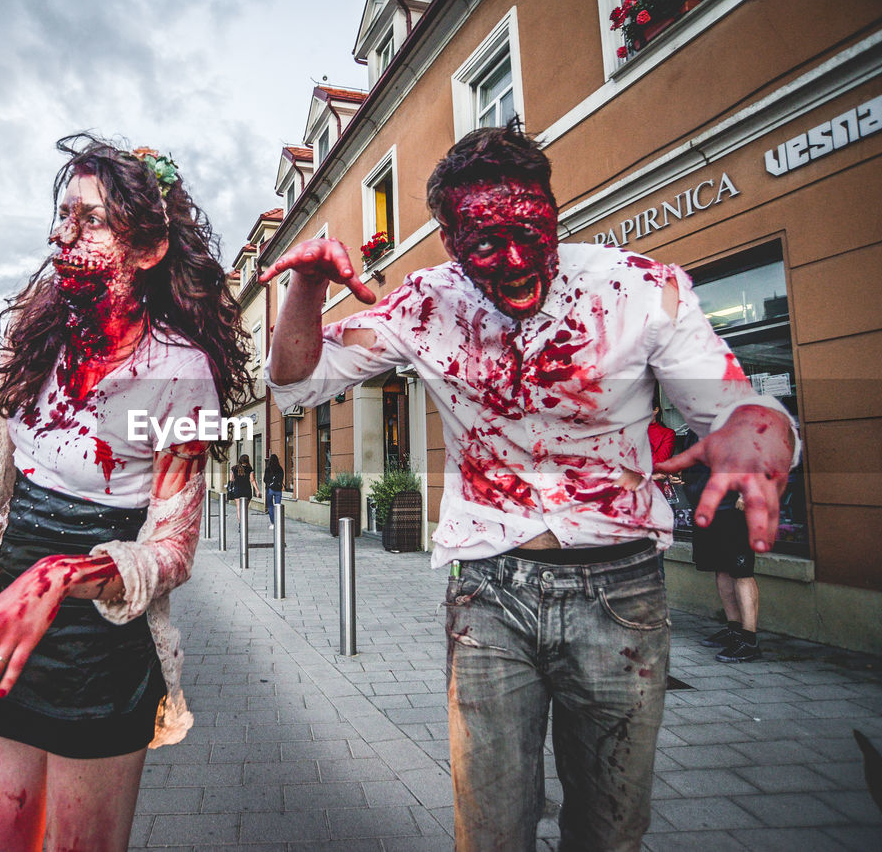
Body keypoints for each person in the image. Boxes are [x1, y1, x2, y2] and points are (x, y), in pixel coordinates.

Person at [262, 124, 798, 850]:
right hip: (490, 594)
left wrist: (761, 426)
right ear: (450, 241)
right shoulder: (429, 303)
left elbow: (735, 407)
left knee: (610, 831)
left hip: (622, 595)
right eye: (485, 243)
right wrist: (310, 284)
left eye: (530, 230)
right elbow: (296, 381)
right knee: (489, 831)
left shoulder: (638, 288)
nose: (516, 260)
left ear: (553, 208)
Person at [0, 133, 253, 852]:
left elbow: (172, 548)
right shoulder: (35, 341)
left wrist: (63, 572)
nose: (61, 234)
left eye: (89, 219)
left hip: (101, 650)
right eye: (62, 215)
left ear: (150, 247)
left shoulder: (180, 372)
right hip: (3, 632)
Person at [682, 430, 762, 662]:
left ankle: (749, 640)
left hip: (732, 509)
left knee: (741, 571)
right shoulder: (693, 430)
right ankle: (734, 630)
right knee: (721, 568)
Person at [263, 453, 284, 529]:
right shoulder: (280, 468)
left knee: (270, 506)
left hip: (270, 490)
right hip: (278, 490)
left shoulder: (268, 469)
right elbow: (281, 479)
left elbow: (265, 479)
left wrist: (269, 483)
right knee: (278, 506)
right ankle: (278, 523)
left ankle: (273, 523)